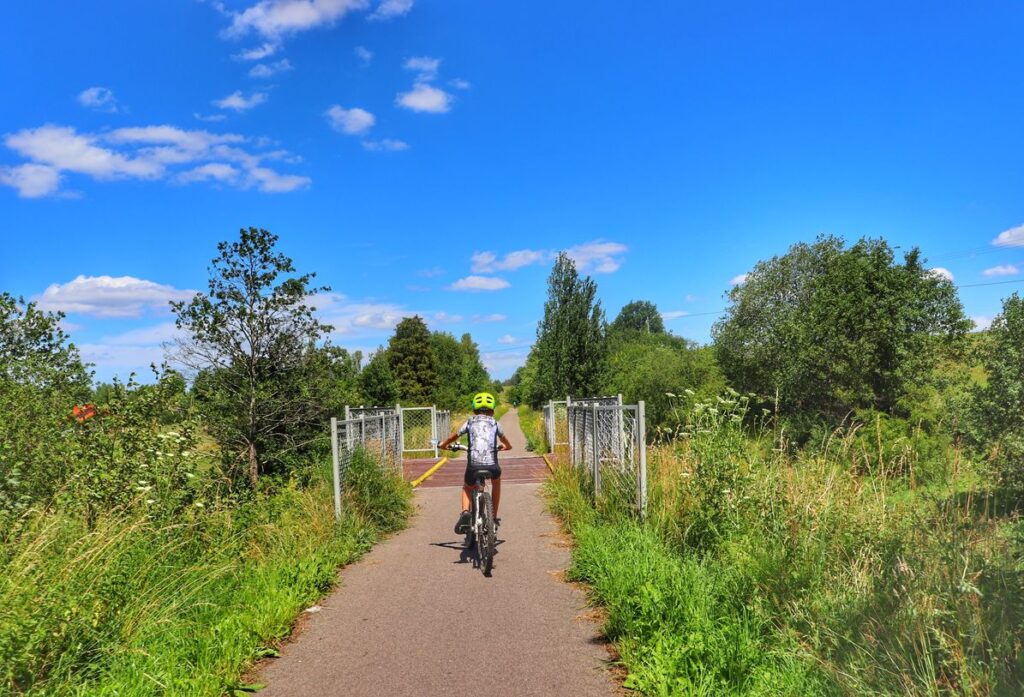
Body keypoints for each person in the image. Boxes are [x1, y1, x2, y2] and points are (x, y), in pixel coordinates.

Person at [438, 391, 512, 534]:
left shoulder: (470, 421)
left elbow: (455, 435)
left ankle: (466, 512)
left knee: (467, 487)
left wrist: (444, 444)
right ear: (492, 410)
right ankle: (494, 517)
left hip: (473, 466)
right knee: (496, 482)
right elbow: (505, 441)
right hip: (492, 466)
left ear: (474, 409)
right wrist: (507, 447)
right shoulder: (496, 423)